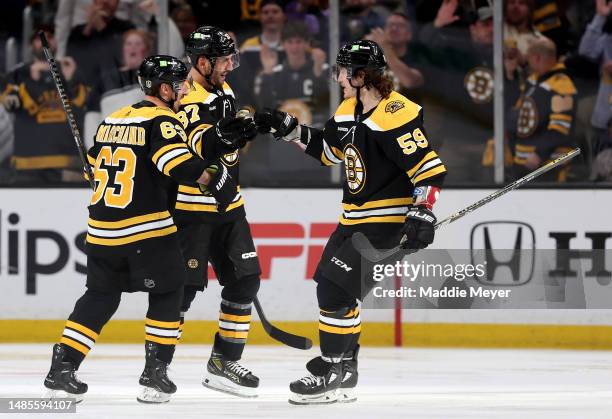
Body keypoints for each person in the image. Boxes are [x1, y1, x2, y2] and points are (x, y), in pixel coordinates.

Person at [42, 55, 242, 403]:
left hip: (101, 232)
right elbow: (179, 165)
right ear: (164, 88)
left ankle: (63, 366)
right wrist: (215, 178)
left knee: (100, 297)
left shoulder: (112, 119)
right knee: (171, 291)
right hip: (145, 229)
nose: (183, 91)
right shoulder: (162, 121)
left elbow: (93, 163)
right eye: (179, 85)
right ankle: (156, 370)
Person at [255, 39, 447, 404]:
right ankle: (345, 367)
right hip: (352, 220)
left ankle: (331, 371)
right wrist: (288, 127)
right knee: (332, 290)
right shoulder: (349, 109)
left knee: (335, 291)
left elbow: (429, 169)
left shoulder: (395, 113)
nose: (338, 77)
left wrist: (422, 210)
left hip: (385, 224)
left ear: (361, 75)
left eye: (343, 71)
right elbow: (328, 151)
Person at [173, 26, 261, 398]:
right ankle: (156, 366)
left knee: (246, 280)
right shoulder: (185, 96)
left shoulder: (221, 87)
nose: (230, 66)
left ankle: (223, 363)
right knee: (181, 292)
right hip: (191, 210)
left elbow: (228, 141)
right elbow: (198, 143)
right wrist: (226, 140)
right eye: (224, 60)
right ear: (203, 62)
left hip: (230, 207)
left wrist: (245, 129)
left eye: (230, 58)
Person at [0, 28, 88, 184]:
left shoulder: (71, 69)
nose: (44, 40)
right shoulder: (18, 74)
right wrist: (32, 82)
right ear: (30, 45)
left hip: (68, 163)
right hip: (27, 163)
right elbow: (10, 105)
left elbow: (82, 107)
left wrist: (70, 80)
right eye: (38, 38)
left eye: (50, 36)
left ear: (56, 42)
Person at [509, 37, 577, 181]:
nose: (527, 62)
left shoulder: (562, 86)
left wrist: (539, 153)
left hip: (547, 168)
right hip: (523, 165)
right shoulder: (532, 81)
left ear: (537, 58)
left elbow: (559, 130)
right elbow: (517, 115)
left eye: (529, 58)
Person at [256, 22, 329, 126]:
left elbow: (327, 104)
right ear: (283, 44)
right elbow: (264, 106)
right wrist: (268, 71)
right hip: (283, 133)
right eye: (290, 42)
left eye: (298, 42)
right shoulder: (275, 73)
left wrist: (317, 72)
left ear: (306, 43)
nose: (294, 47)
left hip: (315, 129)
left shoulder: (322, 68)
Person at [66, 0, 135, 85]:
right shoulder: (78, 32)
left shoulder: (126, 28)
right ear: (94, 2)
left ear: (118, 3)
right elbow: (72, 60)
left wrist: (101, 27)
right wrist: (88, 27)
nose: (105, 1)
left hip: (115, 87)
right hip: (85, 88)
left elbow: (120, 58)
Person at [235, 0, 287, 107]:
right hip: (255, 105)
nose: (270, 15)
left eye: (275, 12)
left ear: (284, 16)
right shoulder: (248, 46)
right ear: (260, 17)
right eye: (266, 12)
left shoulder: (292, 45)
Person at [578, 0, 612, 153]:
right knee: (602, 171)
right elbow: (585, 50)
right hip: (605, 123)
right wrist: (600, 16)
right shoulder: (608, 40)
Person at [365, 11, 424, 93]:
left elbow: (409, 82)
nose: (394, 28)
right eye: (390, 25)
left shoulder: (418, 57)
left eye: (400, 26)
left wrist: (385, 48)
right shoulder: (374, 57)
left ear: (409, 34)